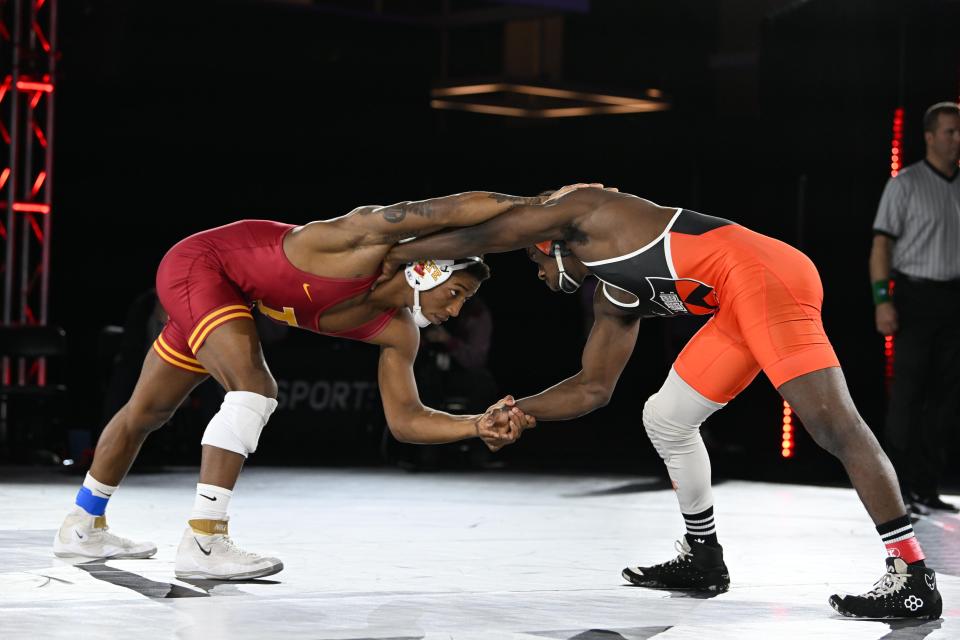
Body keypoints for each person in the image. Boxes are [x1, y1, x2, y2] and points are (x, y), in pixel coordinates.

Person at [378, 183, 943, 620]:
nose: (540, 275)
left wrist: (394, 252)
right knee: (666, 418)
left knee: (833, 427)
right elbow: (592, 389)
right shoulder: (616, 293)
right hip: (737, 300)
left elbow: (486, 235)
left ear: (552, 241)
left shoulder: (588, 209)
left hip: (766, 276)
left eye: (536, 263)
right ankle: (703, 558)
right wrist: (515, 409)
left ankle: (913, 577)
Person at [52, 192, 539, 580]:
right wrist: (544, 207)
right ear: (427, 269)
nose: (455, 312)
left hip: (227, 293)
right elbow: (451, 209)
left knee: (146, 411)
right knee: (255, 389)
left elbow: (406, 421)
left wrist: (475, 425)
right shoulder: (357, 241)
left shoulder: (397, 330)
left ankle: (82, 525)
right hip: (199, 266)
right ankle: (204, 539)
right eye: (456, 294)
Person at [870, 101, 960, 514]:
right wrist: (882, 300)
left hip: (953, 299)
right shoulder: (905, 184)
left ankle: (926, 486)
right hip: (915, 296)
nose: (956, 139)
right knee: (907, 395)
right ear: (929, 136)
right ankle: (897, 489)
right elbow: (881, 246)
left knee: (946, 398)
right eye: (950, 132)